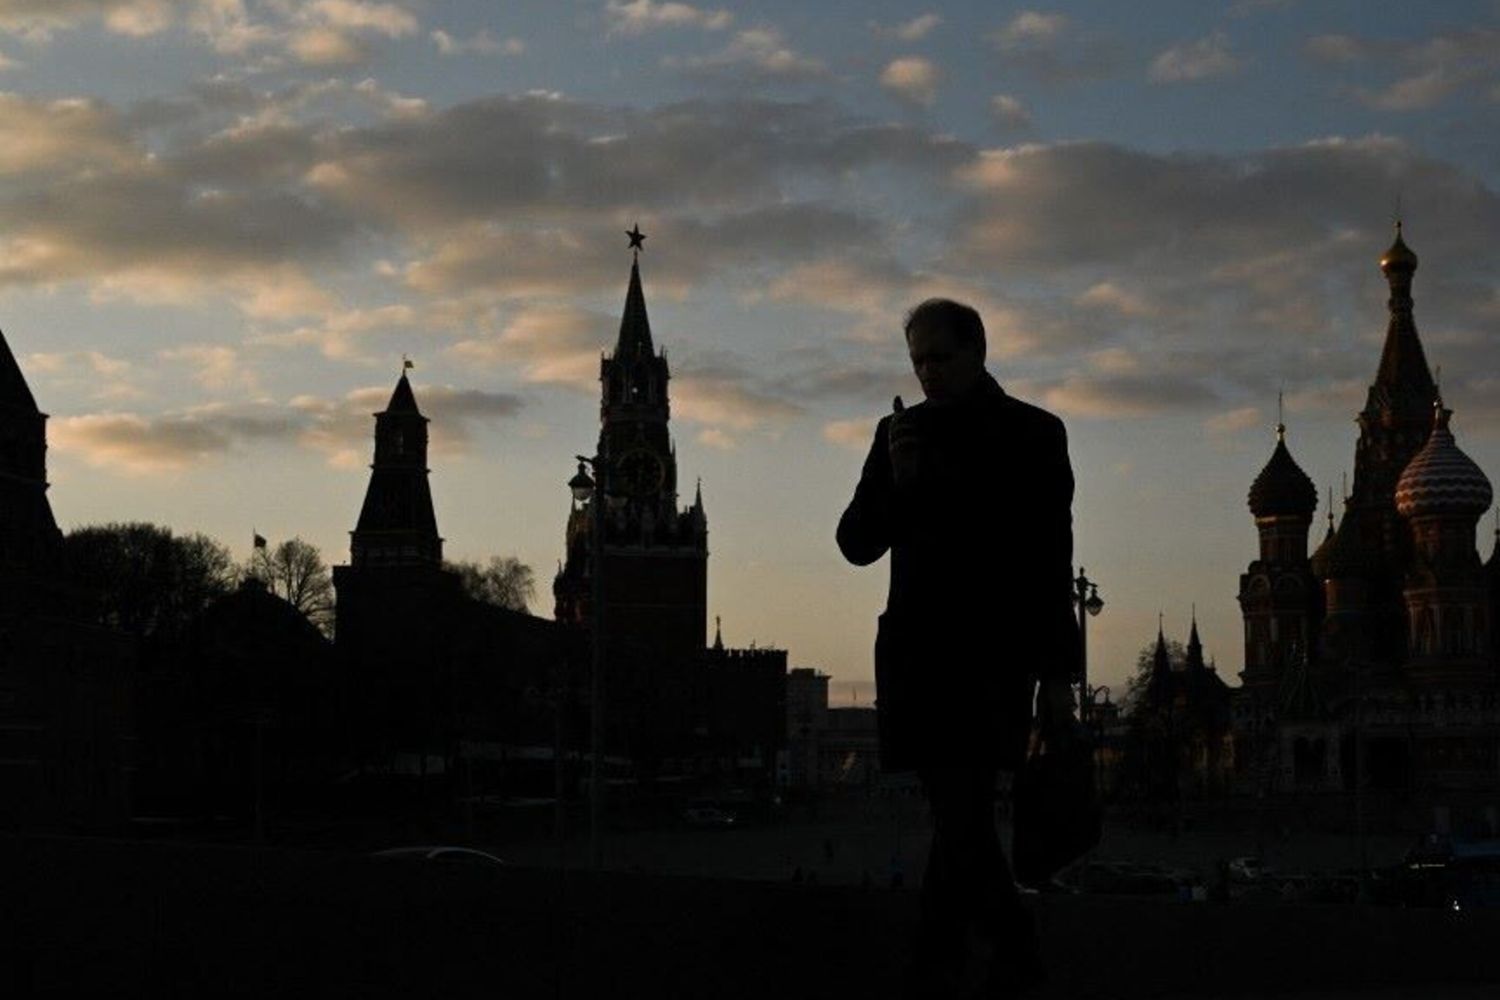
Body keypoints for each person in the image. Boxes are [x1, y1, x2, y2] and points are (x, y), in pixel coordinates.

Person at [837, 298, 1079, 999]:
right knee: (960, 810)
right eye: (917, 361)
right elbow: (855, 543)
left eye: (940, 358)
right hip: (918, 655)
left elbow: (1049, 559)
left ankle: (1004, 957)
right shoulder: (897, 435)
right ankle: (952, 959)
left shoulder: (1033, 434)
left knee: (962, 810)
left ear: (977, 352)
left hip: (995, 658)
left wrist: (1057, 674)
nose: (927, 373)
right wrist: (901, 483)